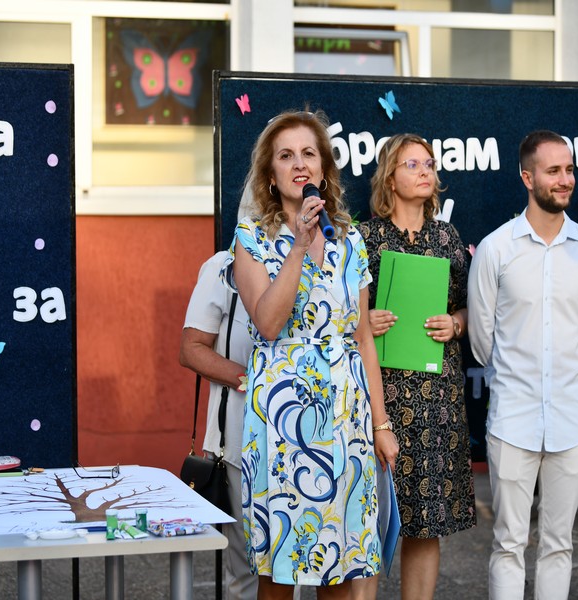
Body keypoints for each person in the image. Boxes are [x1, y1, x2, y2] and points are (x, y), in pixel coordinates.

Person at [220, 109, 399, 600]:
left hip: (347, 421)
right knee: (279, 571)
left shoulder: (351, 240)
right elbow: (268, 323)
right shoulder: (251, 238)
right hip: (284, 424)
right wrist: (298, 246)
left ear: (323, 168)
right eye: (286, 156)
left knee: (340, 567)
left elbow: (362, 338)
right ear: (271, 175)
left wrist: (381, 425)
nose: (299, 163)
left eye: (308, 154)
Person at [467, 130, 578, 600]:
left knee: (559, 544)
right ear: (527, 178)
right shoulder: (496, 249)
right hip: (513, 420)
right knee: (508, 543)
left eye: (569, 169)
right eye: (553, 171)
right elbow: (482, 341)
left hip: (572, 420)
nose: (565, 179)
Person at [358, 133, 476, 600]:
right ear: (390, 178)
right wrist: (363, 321)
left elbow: (469, 308)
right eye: (412, 164)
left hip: (436, 402)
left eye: (429, 163)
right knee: (369, 518)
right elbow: (341, 315)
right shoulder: (365, 239)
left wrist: (456, 324)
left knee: (427, 522)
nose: (425, 170)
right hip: (379, 399)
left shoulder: (447, 237)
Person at [180, 250, 257, 600]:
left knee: (292, 566)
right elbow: (191, 349)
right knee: (247, 572)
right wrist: (259, 381)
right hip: (238, 441)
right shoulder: (224, 265)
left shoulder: (314, 263)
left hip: (299, 440)